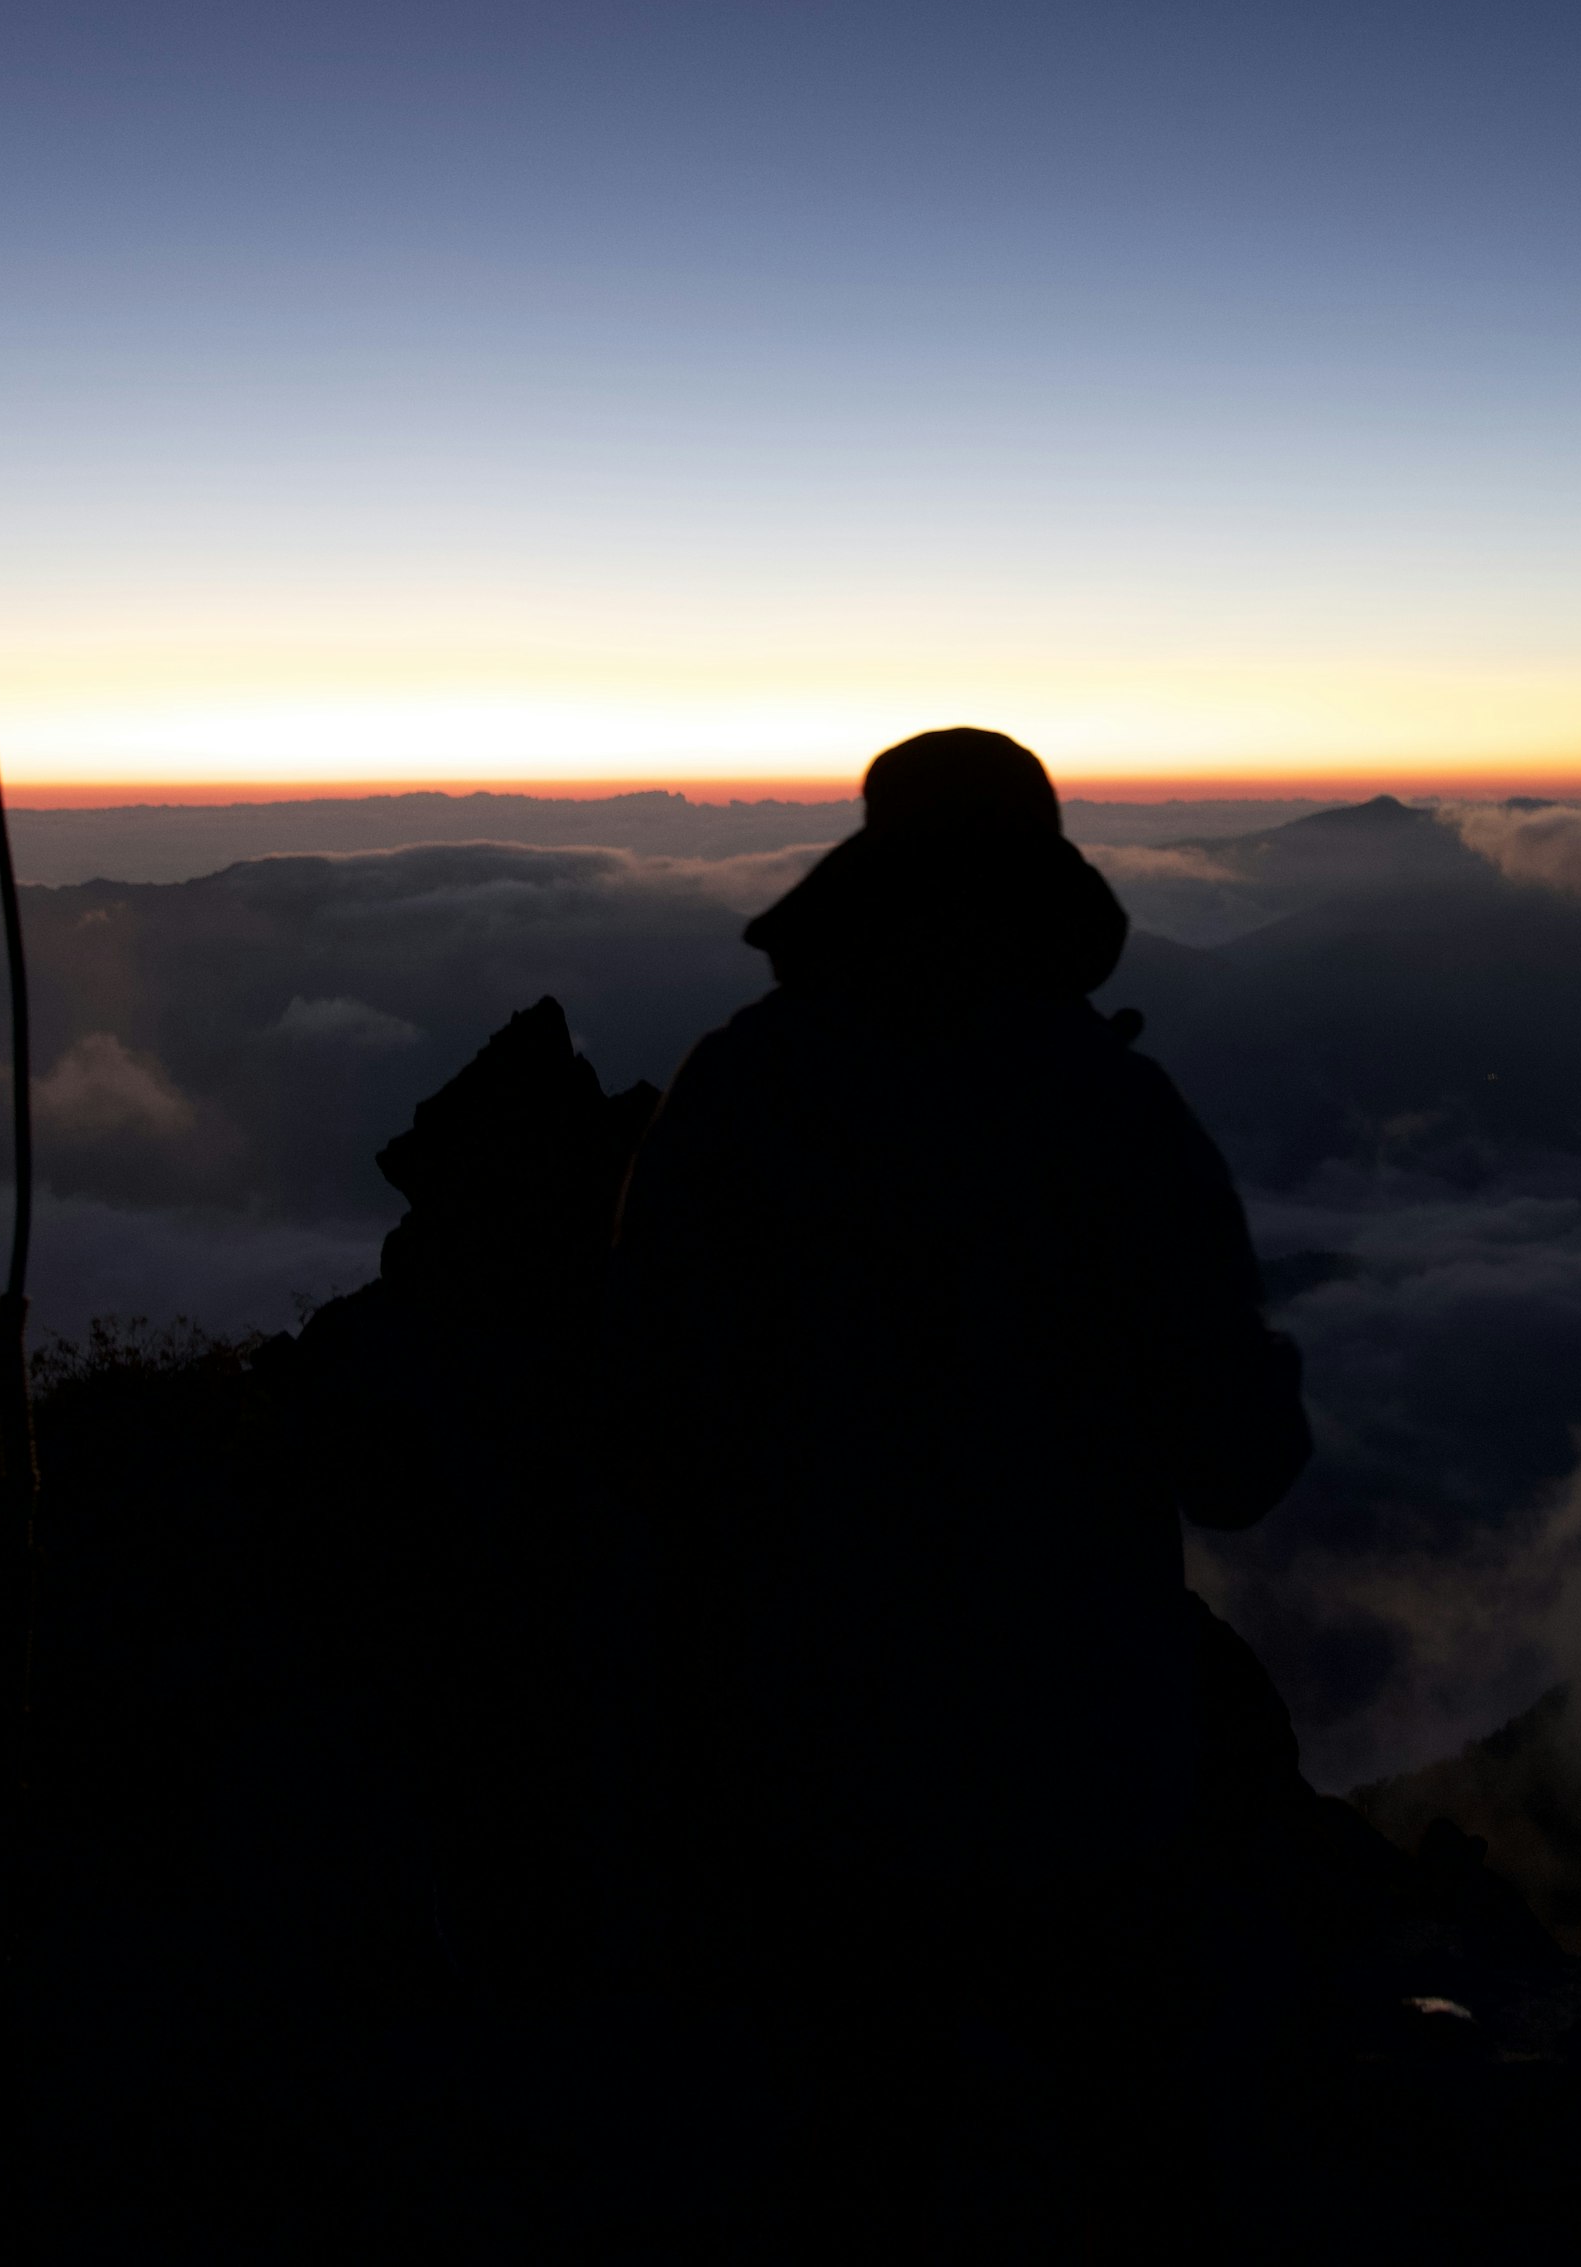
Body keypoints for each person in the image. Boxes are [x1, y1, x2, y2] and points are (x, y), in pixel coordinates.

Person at [606, 727, 1310, 2245]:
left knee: (849, 2154)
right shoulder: (1108, 1119)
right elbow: (1239, 1464)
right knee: (1132, 2154)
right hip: (1078, 1760)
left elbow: (650, 1413)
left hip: (804, 1752)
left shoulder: (738, 1094)